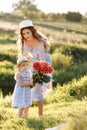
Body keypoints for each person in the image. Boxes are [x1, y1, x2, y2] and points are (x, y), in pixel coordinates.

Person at [17, 19, 53, 118]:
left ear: (32, 31)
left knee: (38, 91)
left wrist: (37, 71)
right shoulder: (24, 42)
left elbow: (42, 58)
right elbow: (23, 57)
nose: (26, 35)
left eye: (28, 32)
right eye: (23, 34)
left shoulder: (40, 42)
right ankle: (25, 114)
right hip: (31, 66)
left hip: (43, 66)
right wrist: (22, 68)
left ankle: (40, 115)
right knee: (29, 90)